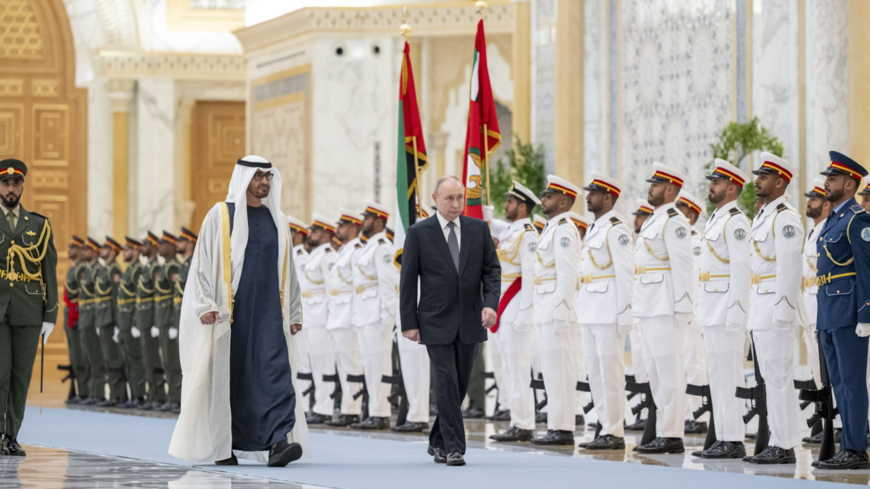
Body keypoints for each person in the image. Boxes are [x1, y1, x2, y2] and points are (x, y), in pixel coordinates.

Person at [169, 155, 309, 467]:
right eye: (259, 176)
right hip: (231, 316)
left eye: (268, 177)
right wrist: (205, 303)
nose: (264, 182)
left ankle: (278, 443)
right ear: (244, 178)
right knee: (233, 381)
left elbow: (290, 272)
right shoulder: (221, 216)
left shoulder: (278, 219)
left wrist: (295, 312)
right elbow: (202, 264)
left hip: (271, 316)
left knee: (275, 376)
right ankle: (226, 446)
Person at [400, 175, 499, 466]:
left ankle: (437, 440)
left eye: (459, 198)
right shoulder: (419, 232)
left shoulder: (478, 229)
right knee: (445, 382)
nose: (456, 204)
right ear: (435, 198)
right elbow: (408, 281)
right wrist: (409, 322)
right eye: (449, 198)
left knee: (459, 384)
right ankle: (455, 447)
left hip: (471, 319)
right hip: (434, 320)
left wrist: (491, 305)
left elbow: (492, 272)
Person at [746, 152, 804, 465]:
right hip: (760, 305)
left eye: (764, 177)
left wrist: (784, 310)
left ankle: (784, 445)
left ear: (780, 182)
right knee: (770, 378)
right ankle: (778, 442)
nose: (757, 181)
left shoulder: (785, 217)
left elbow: (791, 266)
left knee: (779, 377)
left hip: (775, 308)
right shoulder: (765, 215)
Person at [813, 152, 870, 469]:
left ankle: (856, 449)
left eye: (832, 179)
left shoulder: (857, 219)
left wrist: (866, 314)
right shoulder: (833, 219)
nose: (825, 183)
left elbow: (866, 269)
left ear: (849, 183)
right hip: (829, 312)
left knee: (851, 382)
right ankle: (848, 445)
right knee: (838, 383)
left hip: (849, 312)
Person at [692, 160, 751, 459]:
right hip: (711, 310)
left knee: (729, 376)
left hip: (726, 311)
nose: (711, 186)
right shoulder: (715, 219)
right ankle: (723, 437)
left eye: (716, 182)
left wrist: (737, 312)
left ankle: (734, 439)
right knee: (717, 376)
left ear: (731, 187)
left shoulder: (735, 221)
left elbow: (742, 269)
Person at [633, 163, 694, 454]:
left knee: (669, 372)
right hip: (648, 303)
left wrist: (684, 308)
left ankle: (672, 434)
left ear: (670, 189)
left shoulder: (674, 220)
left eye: (655, 185)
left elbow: (683, 265)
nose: (650, 189)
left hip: (665, 304)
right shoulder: (654, 219)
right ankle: (662, 432)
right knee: (655, 372)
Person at [0, 158, 59, 456]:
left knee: (21, 376)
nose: (11, 189)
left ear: (22, 186)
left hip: (28, 310)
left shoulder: (39, 224)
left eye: (16, 183)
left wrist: (50, 315)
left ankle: (12, 435)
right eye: (6, 183)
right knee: (1, 372)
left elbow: (49, 270)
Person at [576, 172, 634, 450]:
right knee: (596, 373)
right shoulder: (595, 228)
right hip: (589, 309)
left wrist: (625, 313)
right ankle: (604, 428)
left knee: (611, 372)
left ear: (608, 197)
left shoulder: (617, 228)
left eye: (593, 193)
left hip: (609, 311)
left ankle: (615, 431)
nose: (588, 197)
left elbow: (625, 273)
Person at [529, 175, 583, 447]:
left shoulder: (563, 229)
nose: (544, 199)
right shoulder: (552, 228)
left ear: (563, 201)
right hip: (545, 308)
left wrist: (562, 309)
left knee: (560, 371)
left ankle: (562, 428)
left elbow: (567, 273)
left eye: (549, 196)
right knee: (551, 372)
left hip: (556, 310)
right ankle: (555, 425)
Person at [486, 181, 540, 442]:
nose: (505, 205)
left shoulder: (527, 234)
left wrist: (525, 315)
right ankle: (516, 420)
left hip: (516, 306)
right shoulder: (510, 231)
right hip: (502, 309)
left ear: (522, 206)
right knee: (508, 367)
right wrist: (483, 214)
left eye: (509, 202)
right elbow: (493, 225)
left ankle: (524, 424)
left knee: (518, 368)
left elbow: (531, 278)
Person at [350, 201, 398, 430]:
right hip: (364, 313)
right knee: (369, 364)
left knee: (379, 364)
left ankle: (381, 413)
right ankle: (374, 411)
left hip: (378, 315)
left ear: (378, 221)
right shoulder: (368, 247)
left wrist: (388, 316)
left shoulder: (382, 247)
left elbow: (388, 284)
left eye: (367, 217)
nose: (363, 221)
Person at [325, 210, 366, 427]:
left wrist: (355, 316)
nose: (336, 230)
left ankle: (352, 410)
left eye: (340, 227)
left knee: (352, 364)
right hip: (337, 315)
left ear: (352, 229)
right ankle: (346, 409)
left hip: (349, 315)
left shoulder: (356, 251)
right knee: (343, 364)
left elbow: (356, 287)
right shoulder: (343, 251)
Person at [675, 190, 710, 434]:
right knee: (683, 365)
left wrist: (691, 313)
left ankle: (699, 415)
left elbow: (696, 282)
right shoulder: (679, 242)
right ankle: (688, 413)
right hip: (681, 315)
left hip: (693, 315)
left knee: (694, 363)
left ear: (689, 215)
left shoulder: (696, 245)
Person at [299, 215, 338, 425]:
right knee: (314, 363)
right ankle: (318, 406)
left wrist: (331, 318)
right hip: (310, 317)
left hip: (322, 317)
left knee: (324, 364)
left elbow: (332, 290)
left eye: (314, 231)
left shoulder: (328, 256)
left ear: (325, 234)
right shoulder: (314, 255)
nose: (310, 234)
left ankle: (325, 408)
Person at [800, 177, 831, 443]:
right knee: (817, 370)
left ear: (827, 203)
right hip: (809, 310)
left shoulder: (828, 230)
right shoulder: (812, 232)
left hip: (822, 308)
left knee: (829, 370)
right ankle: (824, 422)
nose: (808, 202)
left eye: (814, 198)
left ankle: (836, 423)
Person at [626, 199, 654, 432]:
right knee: (639, 365)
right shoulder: (637, 244)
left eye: (641, 215)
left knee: (651, 365)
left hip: (650, 309)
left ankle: (652, 412)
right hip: (637, 310)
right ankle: (644, 410)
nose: (636, 220)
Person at [93, 237, 127, 406]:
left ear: (113, 251)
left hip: (110, 320)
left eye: (105, 247)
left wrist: (116, 324)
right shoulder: (104, 269)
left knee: (114, 359)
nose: (101, 249)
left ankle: (118, 395)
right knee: (108, 358)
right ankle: (113, 394)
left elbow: (115, 298)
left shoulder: (114, 270)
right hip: (102, 319)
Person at [115, 237, 147, 409]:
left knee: (136, 360)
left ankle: (139, 395)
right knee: (127, 359)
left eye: (127, 249)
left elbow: (138, 299)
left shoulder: (138, 270)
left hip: (130, 321)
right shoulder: (129, 270)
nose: (124, 253)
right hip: (123, 322)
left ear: (136, 250)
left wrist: (135, 322)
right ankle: (132, 395)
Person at [136, 232, 166, 410]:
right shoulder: (147, 268)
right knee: (147, 360)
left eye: (146, 244)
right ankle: (152, 394)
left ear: (154, 246)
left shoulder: (156, 269)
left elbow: (158, 297)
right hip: (143, 320)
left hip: (152, 319)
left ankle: (159, 396)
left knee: (154, 360)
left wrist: (156, 321)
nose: (142, 248)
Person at [77, 237, 108, 406]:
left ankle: (98, 393)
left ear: (95, 251)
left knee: (96, 358)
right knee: (87, 357)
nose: (84, 253)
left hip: (92, 317)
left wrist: (97, 321)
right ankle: (91, 392)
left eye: (87, 250)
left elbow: (98, 298)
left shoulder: (98, 270)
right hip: (84, 317)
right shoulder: (88, 270)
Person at [287, 215, 313, 410]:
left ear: (297, 236)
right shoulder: (290, 256)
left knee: (303, 360)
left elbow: (302, 290)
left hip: (304, 315)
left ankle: (303, 404)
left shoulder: (302, 258)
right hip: (290, 315)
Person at [154, 232, 181, 413]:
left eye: (164, 244)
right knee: (166, 361)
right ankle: (170, 397)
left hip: (170, 320)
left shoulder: (173, 268)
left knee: (173, 361)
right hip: (162, 320)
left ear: (172, 246)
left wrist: (173, 322)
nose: (160, 247)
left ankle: (176, 398)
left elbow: (176, 297)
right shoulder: (163, 267)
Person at [64, 235, 89, 404]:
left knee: (81, 355)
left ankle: (85, 391)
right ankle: (78, 390)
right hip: (70, 313)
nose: (69, 250)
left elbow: (82, 293)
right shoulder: (74, 268)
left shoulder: (82, 269)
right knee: (74, 355)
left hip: (78, 313)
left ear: (80, 250)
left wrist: (76, 312)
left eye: (73, 247)